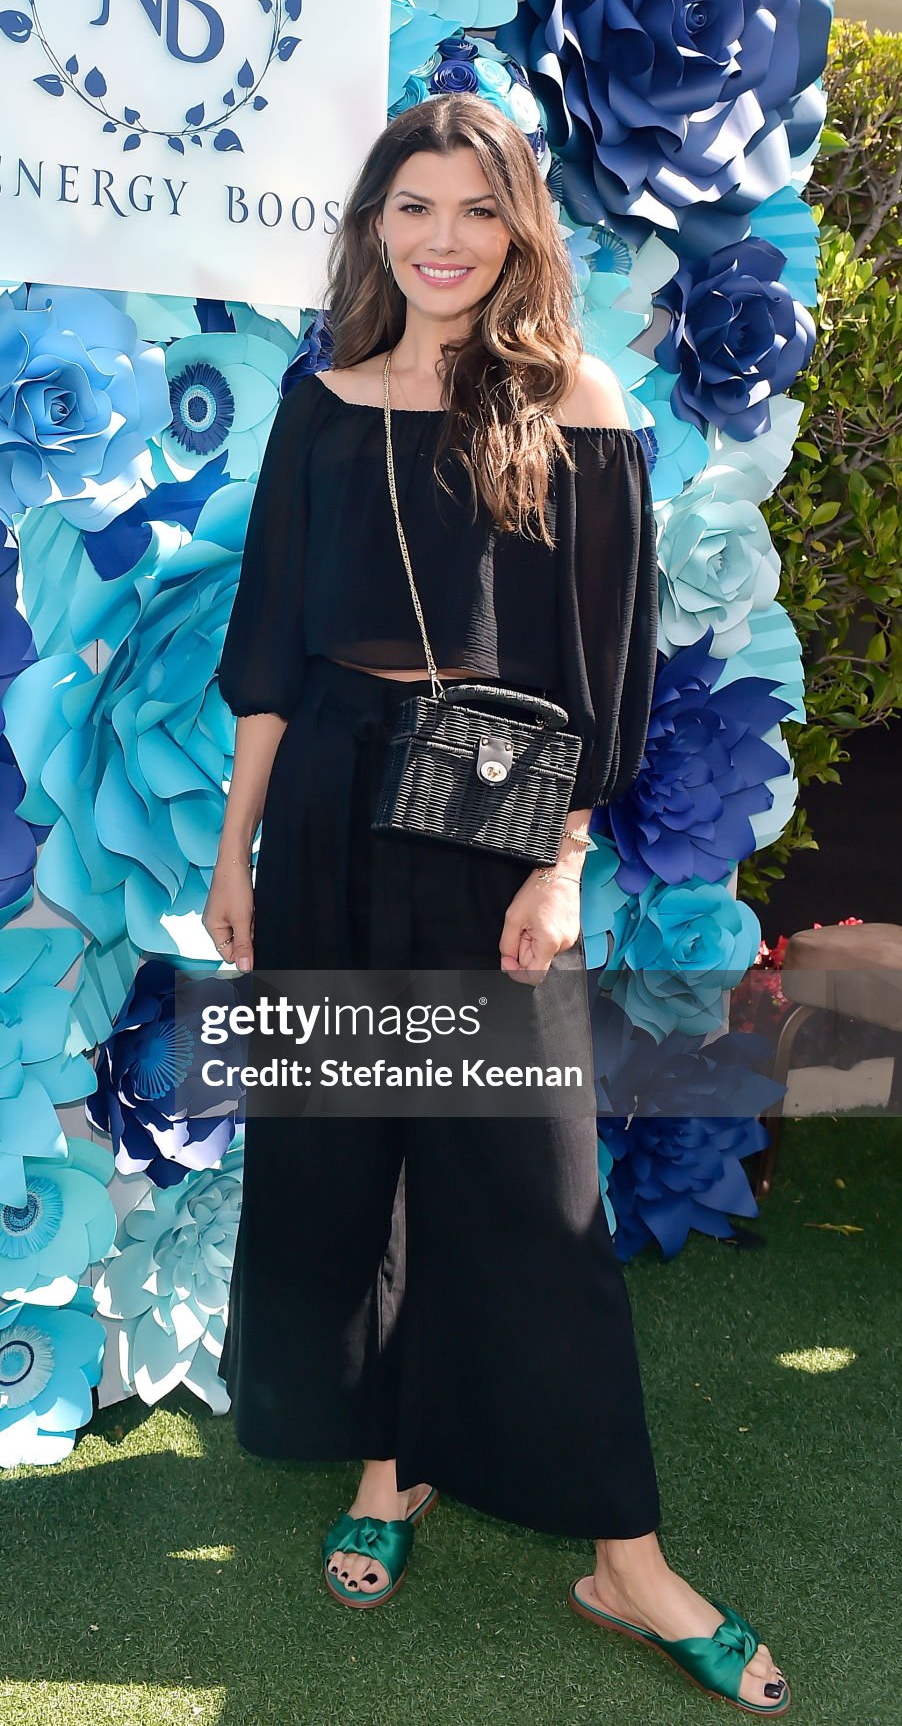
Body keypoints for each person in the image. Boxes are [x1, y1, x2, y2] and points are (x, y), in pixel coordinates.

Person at [202, 95, 789, 1715]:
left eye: (475, 208)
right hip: (328, 801)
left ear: (520, 227)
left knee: (536, 1191)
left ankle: (627, 1560)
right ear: (375, 225)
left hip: (494, 808)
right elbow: (268, 655)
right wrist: (235, 849)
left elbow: (607, 666)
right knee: (347, 1151)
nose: (442, 238)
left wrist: (565, 859)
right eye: (414, 206)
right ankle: (387, 1470)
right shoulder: (318, 403)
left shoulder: (576, 402)